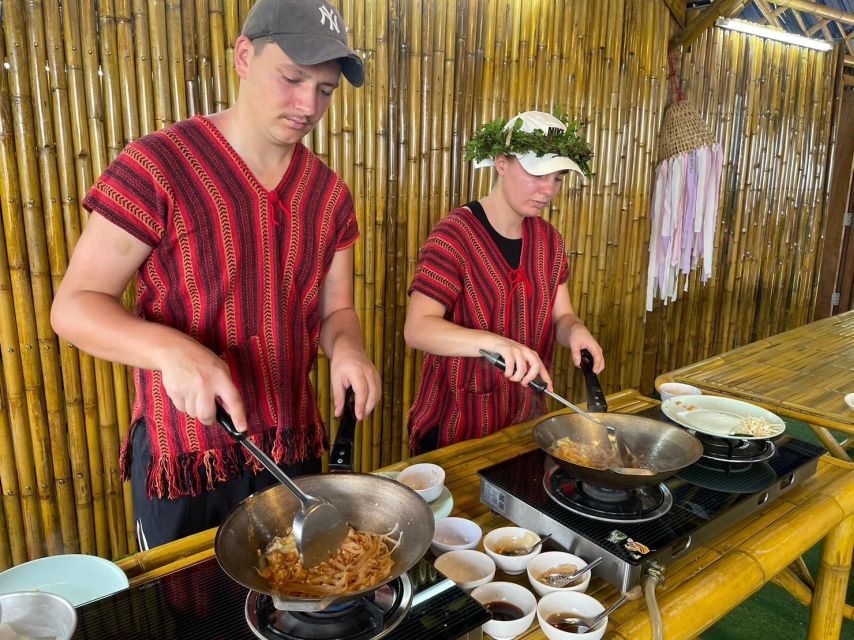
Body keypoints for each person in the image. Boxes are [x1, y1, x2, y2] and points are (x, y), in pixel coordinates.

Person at [50, 0, 380, 549]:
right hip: (187, 454)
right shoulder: (158, 165)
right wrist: (171, 351)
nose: (308, 105)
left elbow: (336, 311)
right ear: (244, 56)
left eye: (325, 90)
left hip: (291, 446)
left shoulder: (329, 194)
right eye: (292, 78)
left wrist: (347, 349)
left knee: (297, 604)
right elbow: (76, 305)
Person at [404, 110, 604, 454]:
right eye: (536, 173)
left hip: (523, 424)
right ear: (500, 162)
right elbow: (418, 328)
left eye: (557, 178)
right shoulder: (454, 234)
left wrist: (576, 331)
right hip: (454, 426)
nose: (548, 190)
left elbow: (562, 316)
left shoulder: (549, 240)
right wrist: (497, 344)